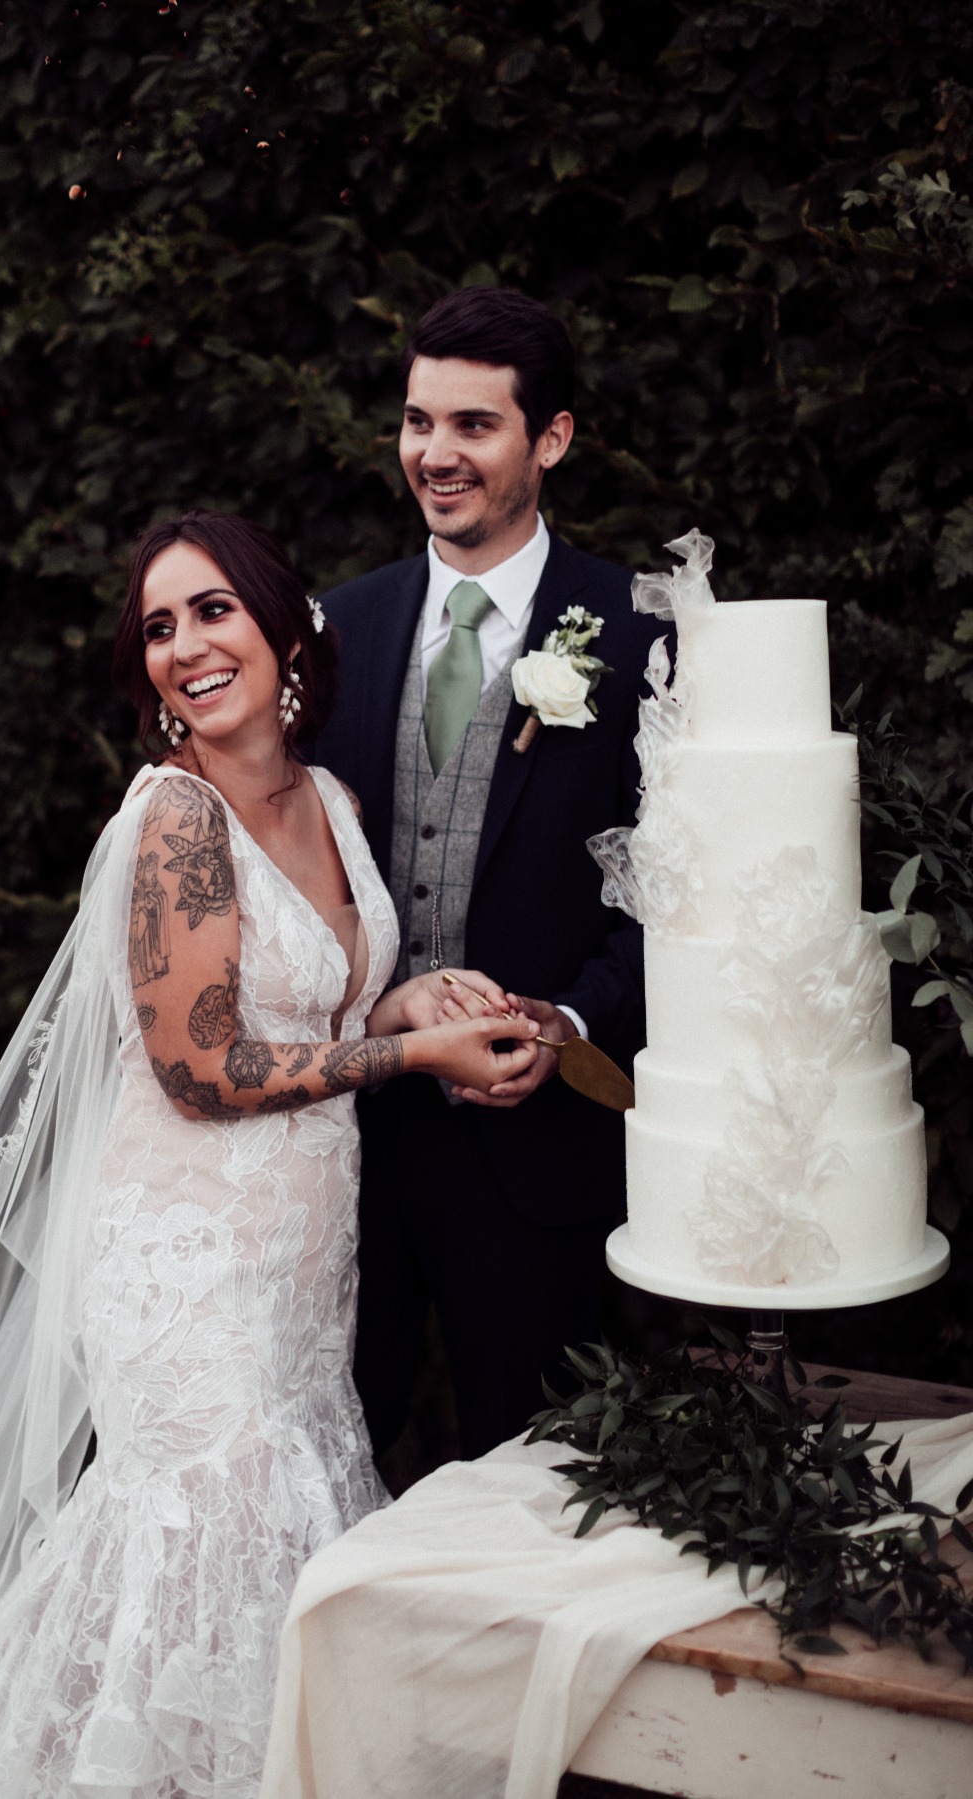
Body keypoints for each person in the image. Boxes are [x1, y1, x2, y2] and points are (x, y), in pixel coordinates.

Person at [0, 511, 538, 1798]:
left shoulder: (331, 801)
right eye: (159, 627)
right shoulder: (176, 819)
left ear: (285, 628)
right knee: (195, 1567)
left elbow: (320, 1009)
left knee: (267, 1559)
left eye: (213, 610)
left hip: (297, 1276)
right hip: (187, 1274)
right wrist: (414, 1062)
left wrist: (407, 1005)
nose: (185, 644)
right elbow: (205, 1067)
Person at [312, 287, 671, 1462]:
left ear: (549, 439)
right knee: (320, 1466)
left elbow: (682, 897)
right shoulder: (334, 631)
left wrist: (567, 1018)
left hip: (538, 1155)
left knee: (528, 1495)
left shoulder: (638, 633)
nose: (436, 454)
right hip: (342, 1148)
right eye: (419, 423)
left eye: (474, 425)